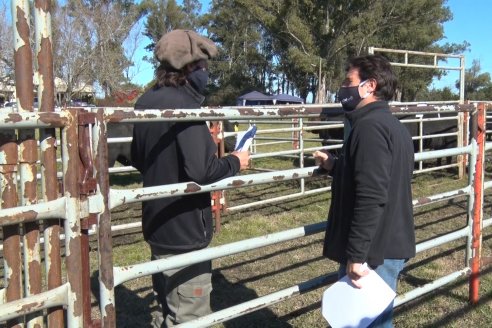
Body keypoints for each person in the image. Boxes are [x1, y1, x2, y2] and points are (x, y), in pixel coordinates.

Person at [131, 29, 250, 327]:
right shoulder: (186, 107)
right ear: (187, 69)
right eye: (202, 67)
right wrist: (236, 161)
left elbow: (135, 156)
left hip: (157, 222)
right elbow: (204, 170)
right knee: (189, 313)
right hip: (185, 230)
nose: (205, 73)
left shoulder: (145, 102)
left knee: (165, 307)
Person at [313, 55, 415, 328]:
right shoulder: (393, 127)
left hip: (373, 251)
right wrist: (336, 166)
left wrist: (357, 255)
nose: (343, 88)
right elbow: (380, 178)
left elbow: (372, 195)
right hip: (386, 243)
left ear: (369, 86)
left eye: (349, 81)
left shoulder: (369, 128)